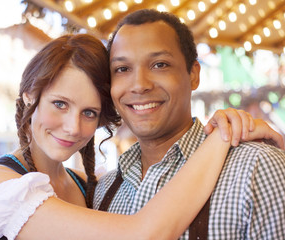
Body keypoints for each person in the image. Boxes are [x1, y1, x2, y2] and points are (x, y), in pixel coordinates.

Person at [93, 9, 285, 240]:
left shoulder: (257, 168)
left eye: (159, 64)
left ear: (193, 75)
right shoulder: (103, 191)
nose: (139, 85)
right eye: (122, 69)